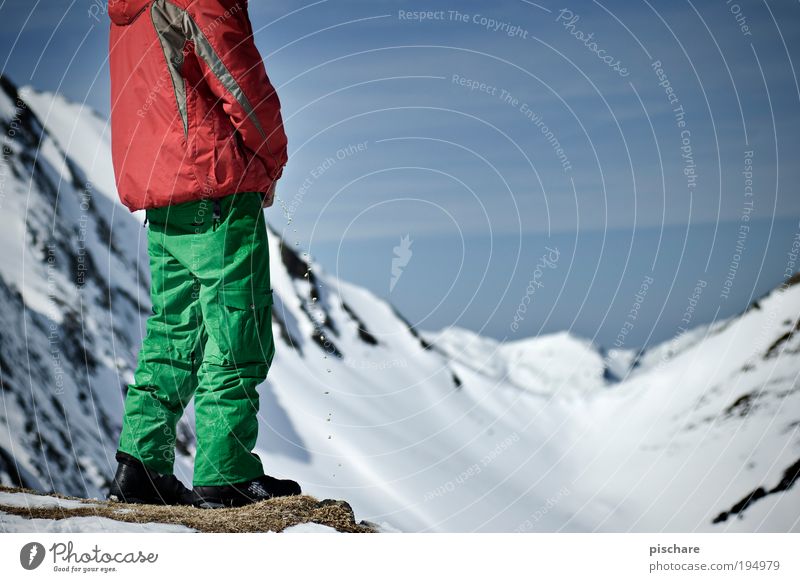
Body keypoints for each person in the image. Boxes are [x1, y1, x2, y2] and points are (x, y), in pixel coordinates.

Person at [105, 0, 300, 508]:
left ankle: (141, 466)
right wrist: (271, 161)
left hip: (161, 191)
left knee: (174, 328)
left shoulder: (128, 10)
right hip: (214, 181)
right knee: (238, 327)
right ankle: (225, 471)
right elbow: (240, 81)